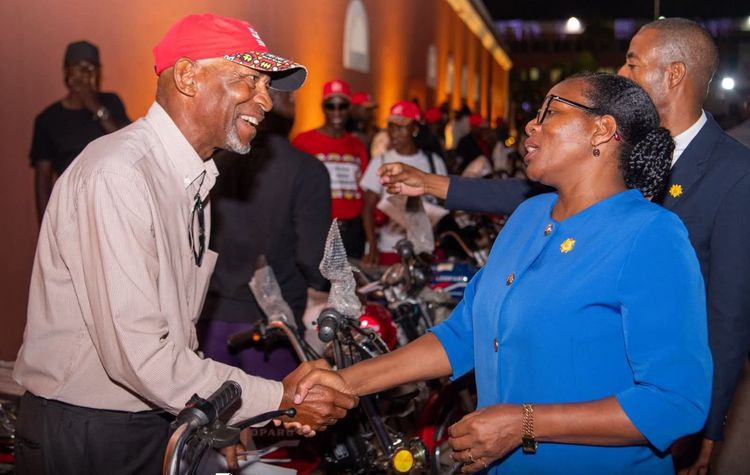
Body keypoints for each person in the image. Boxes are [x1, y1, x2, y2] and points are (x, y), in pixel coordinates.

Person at [379, 18, 750, 475]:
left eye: (633, 63)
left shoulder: (732, 174)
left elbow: (728, 315)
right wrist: (434, 184)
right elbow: (537, 197)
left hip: (649, 391)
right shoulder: (547, 202)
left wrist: (709, 426)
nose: (622, 73)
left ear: (674, 74)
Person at [295, 73, 713, 474]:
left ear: (601, 130)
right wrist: (344, 382)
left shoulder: (650, 235)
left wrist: (524, 423)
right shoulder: (528, 216)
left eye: (551, 111)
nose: (531, 125)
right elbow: (462, 336)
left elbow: (676, 403)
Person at [13, 13, 355, 475]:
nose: (265, 100)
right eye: (249, 79)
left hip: (148, 417)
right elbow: (140, 358)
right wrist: (278, 396)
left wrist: (215, 419)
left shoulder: (192, 178)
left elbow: (175, 334)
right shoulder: (119, 175)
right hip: (90, 432)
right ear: (188, 76)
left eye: (266, 85)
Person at [198, 87, 331, 380]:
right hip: (271, 326)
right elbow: (313, 260)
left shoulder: (214, 163)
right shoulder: (307, 170)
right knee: (273, 408)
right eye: (292, 97)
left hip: (210, 318)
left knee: (215, 408)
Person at [30, 40, 130, 223]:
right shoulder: (47, 119)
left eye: (92, 68)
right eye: (80, 67)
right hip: (71, 212)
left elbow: (129, 146)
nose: (86, 73)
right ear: (67, 72)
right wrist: (46, 226)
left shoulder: (111, 102)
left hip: (113, 204)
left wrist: (95, 107)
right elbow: (43, 181)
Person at [360, 101, 447, 265]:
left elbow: (444, 201)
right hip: (391, 247)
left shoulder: (433, 162)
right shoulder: (381, 161)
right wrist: (372, 246)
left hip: (426, 248)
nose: (394, 133)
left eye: (401, 127)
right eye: (391, 127)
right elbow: (367, 209)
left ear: (415, 129)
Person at [292, 79, 369, 258]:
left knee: (354, 275)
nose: (337, 112)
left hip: (352, 231)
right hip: (318, 228)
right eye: (331, 106)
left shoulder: (357, 145)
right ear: (323, 107)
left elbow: (365, 191)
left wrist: (370, 240)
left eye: (342, 106)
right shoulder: (303, 142)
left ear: (350, 108)